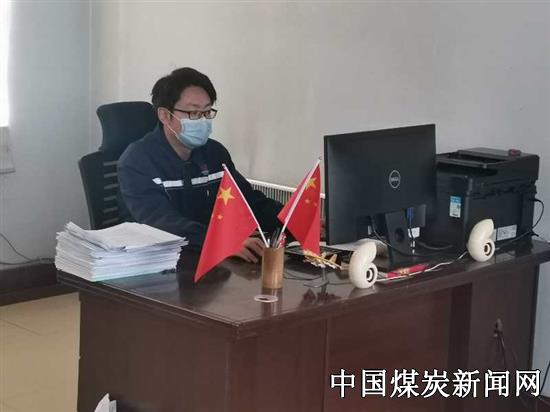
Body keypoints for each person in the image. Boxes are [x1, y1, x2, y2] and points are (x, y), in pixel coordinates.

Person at [117, 67, 283, 263]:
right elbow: (161, 222)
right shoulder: (137, 160)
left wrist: (293, 218)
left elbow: (249, 202)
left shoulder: (215, 153)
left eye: (207, 112)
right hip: (156, 263)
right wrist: (223, 241)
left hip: (210, 257)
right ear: (164, 115)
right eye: (194, 113)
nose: (203, 120)